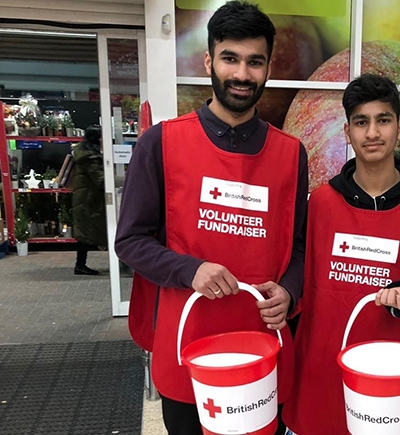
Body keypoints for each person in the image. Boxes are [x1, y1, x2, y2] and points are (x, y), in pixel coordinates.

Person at [114, 2, 308, 434]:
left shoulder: (290, 154)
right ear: (209, 62)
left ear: (268, 68)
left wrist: (291, 293)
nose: (242, 74)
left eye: (254, 62)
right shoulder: (161, 142)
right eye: (230, 59)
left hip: (262, 344)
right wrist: (191, 269)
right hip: (188, 343)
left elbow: (299, 245)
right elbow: (130, 241)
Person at [282, 74, 400, 435]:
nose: (372, 133)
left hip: (391, 384)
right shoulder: (318, 205)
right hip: (319, 373)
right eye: (361, 122)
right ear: (347, 132)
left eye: (383, 120)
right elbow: (299, 282)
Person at [71, 125, 107, 275]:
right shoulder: (90, 158)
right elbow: (100, 180)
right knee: (85, 233)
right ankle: (80, 265)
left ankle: (80, 264)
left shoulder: (84, 152)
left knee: (84, 233)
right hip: (88, 200)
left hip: (85, 198)